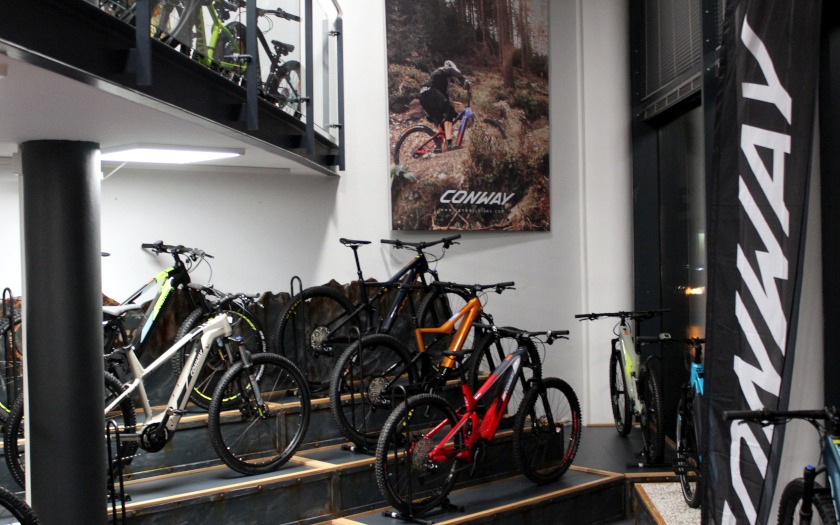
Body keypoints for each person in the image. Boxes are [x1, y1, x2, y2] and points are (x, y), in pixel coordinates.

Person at [418, 60, 470, 148]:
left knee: (442, 123)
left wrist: (457, 115)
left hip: (423, 97)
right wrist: (463, 80)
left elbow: (445, 101)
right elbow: (452, 70)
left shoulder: (441, 83)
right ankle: (450, 145)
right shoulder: (441, 70)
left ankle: (439, 146)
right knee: (449, 109)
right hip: (428, 92)